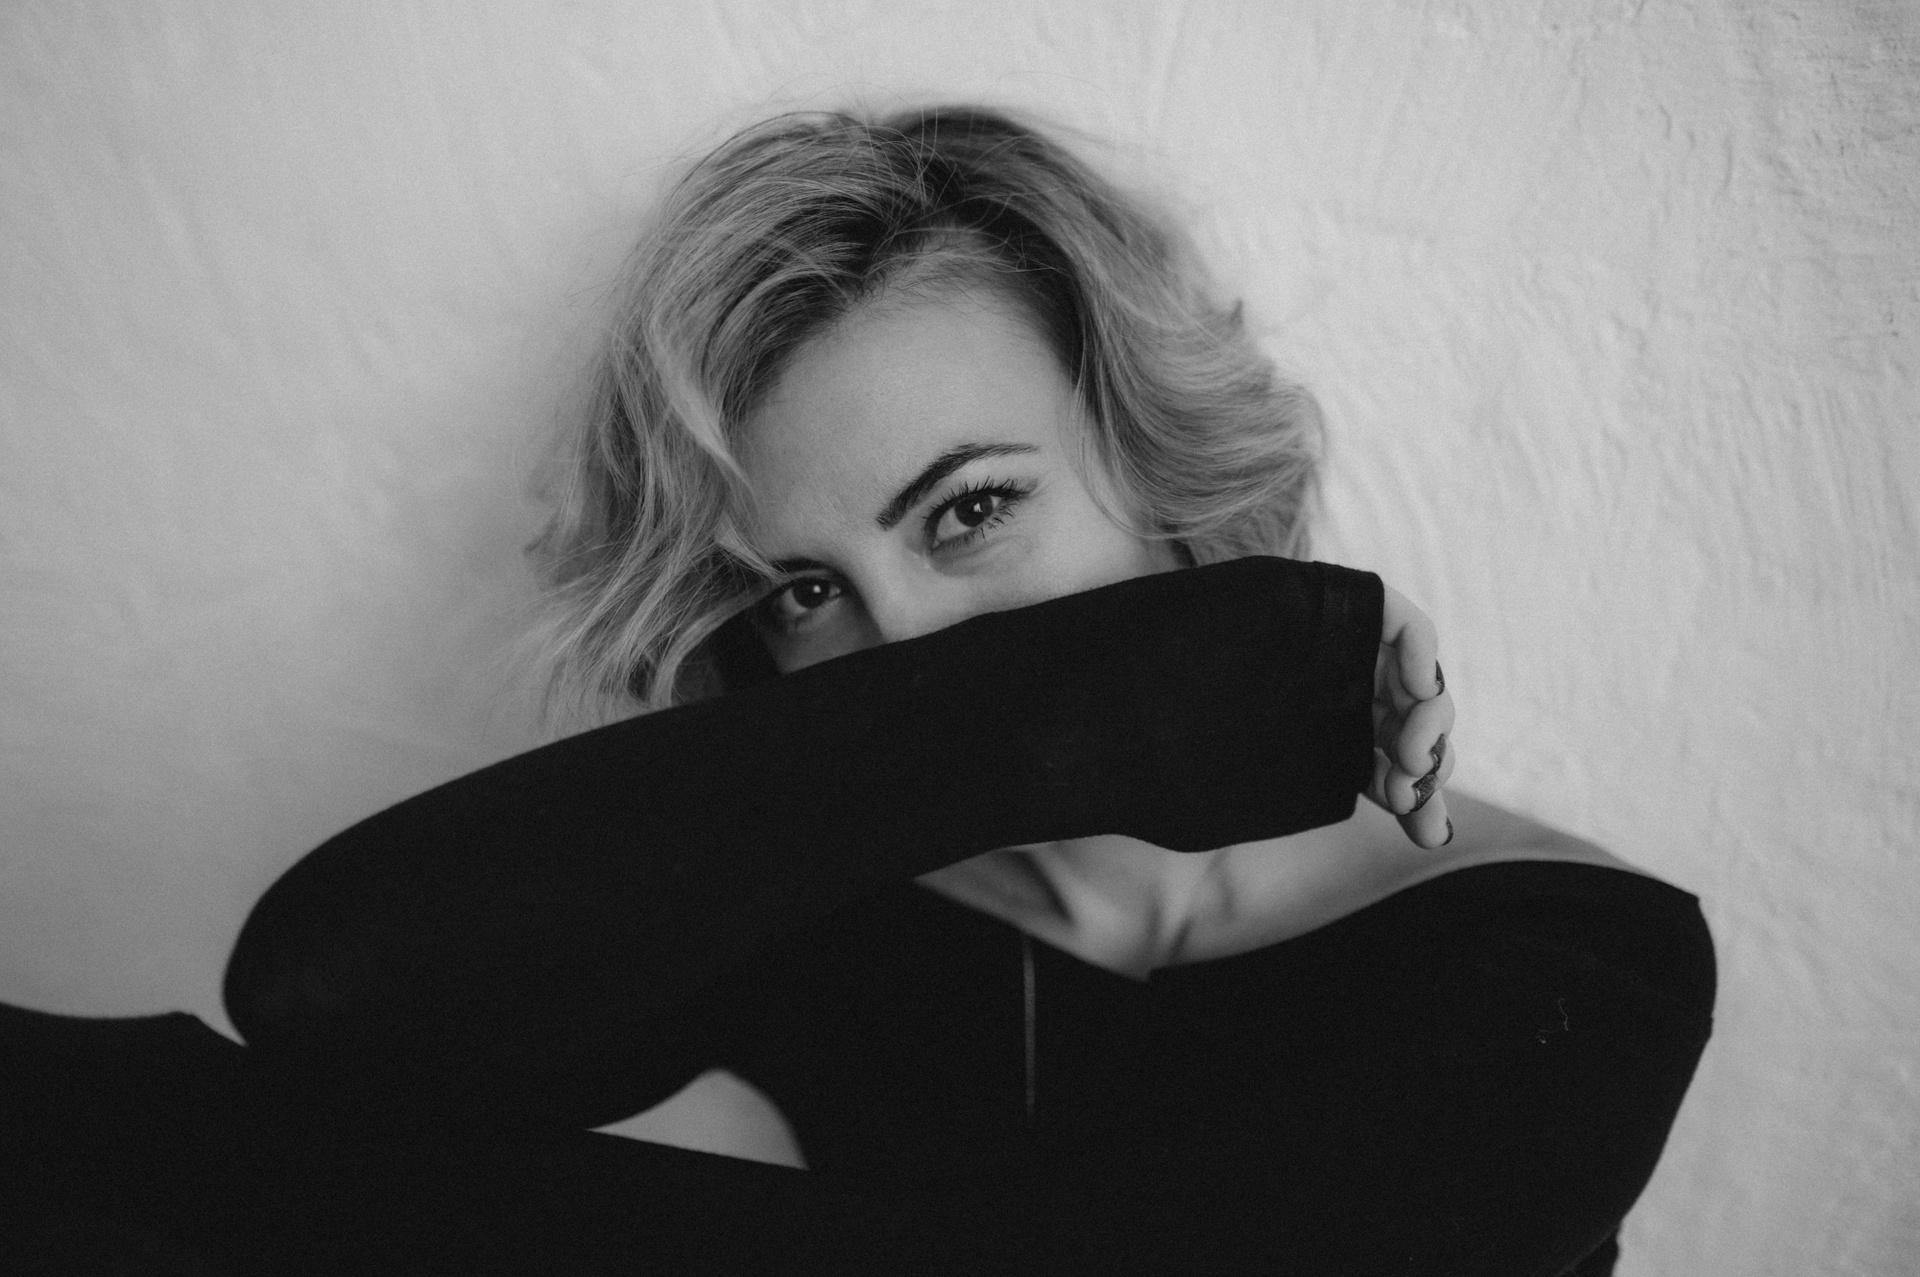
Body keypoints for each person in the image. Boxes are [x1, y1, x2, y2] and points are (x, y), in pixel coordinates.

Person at [2, 106, 1713, 1276]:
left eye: (969, 511)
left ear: (1155, 458)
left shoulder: (1570, 966)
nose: (899, 646)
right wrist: (1046, 706)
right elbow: (321, 994)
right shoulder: (846, 906)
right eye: (805, 590)